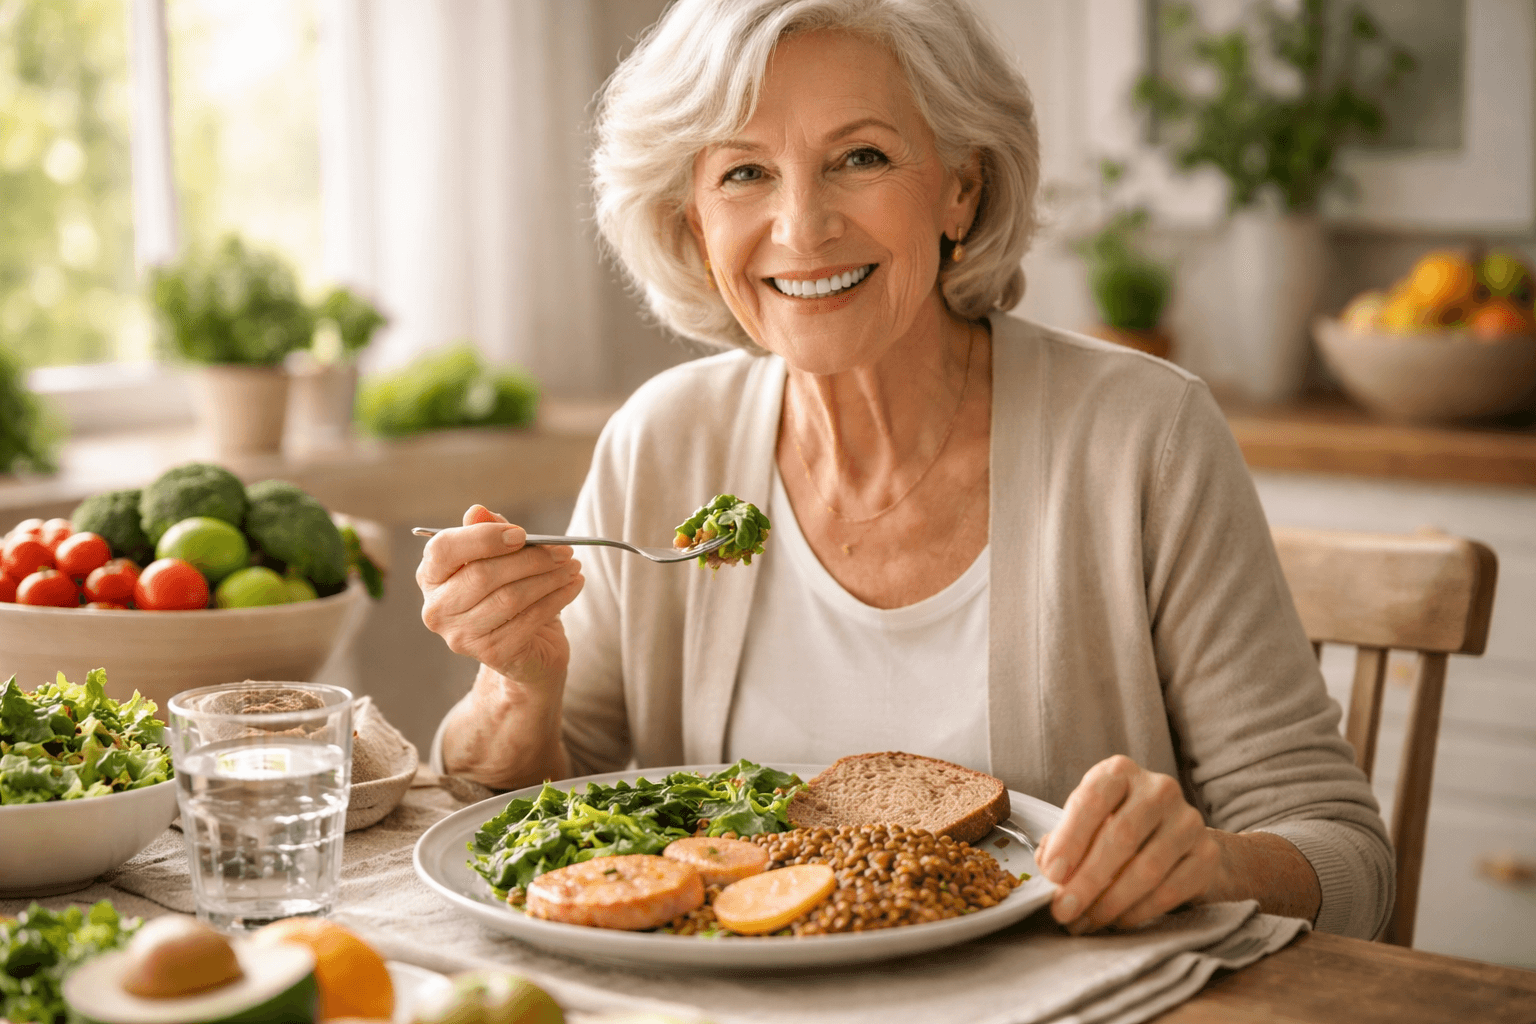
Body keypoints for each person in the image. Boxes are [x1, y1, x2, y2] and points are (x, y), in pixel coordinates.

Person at [415, 0, 1392, 939]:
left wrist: (1207, 866)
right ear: (693, 222)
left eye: (861, 157)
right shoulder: (664, 440)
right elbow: (536, 809)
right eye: (745, 173)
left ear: (961, 185)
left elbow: (1346, 859)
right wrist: (517, 690)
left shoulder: (1143, 435)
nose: (802, 227)